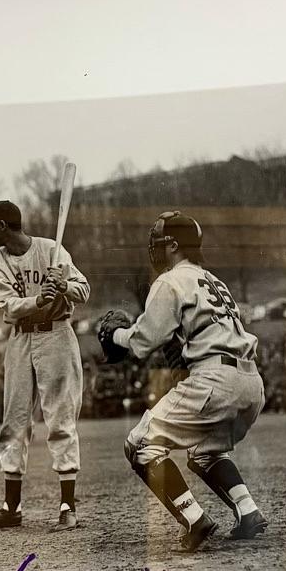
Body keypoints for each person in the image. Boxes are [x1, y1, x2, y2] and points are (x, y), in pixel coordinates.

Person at [100, 211, 268, 552]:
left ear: (173, 245)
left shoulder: (170, 280)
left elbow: (142, 341)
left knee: (140, 445)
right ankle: (248, 512)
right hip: (250, 381)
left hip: (215, 378)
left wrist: (113, 334)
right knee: (205, 454)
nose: (155, 249)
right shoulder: (211, 279)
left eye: (159, 242)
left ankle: (194, 520)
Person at [0, 200, 91, 532]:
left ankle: (67, 506)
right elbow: (10, 307)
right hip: (21, 338)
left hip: (56, 335)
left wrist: (63, 284)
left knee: (60, 417)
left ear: (3, 226)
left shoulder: (51, 250)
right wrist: (38, 299)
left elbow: (84, 289)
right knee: (13, 420)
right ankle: (12, 507)